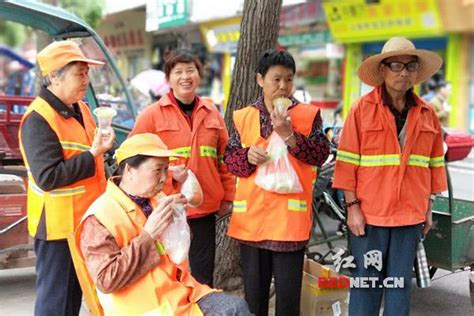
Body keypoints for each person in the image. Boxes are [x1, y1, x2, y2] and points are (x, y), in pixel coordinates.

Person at [333, 37, 447, 316]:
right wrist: (352, 209)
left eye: (410, 66)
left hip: (410, 216)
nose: (403, 72)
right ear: (383, 70)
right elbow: (346, 163)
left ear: (416, 72)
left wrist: (428, 209)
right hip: (370, 216)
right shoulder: (361, 110)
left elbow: (433, 165)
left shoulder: (427, 114)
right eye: (396, 65)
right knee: (367, 285)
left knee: (399, 289)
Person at [76, 133, 250, 315]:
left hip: (180, 292)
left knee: (236, 307)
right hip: (146, 307)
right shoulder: (99, 217)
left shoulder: (156, 199)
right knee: (233, 310)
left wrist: (178, 221)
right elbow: (106, 280)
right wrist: (148, 235)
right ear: (129, 170)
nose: (163, 178)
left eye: (166, 170)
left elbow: (176, 251)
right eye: (157, 170)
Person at [224, 49, 330, 316]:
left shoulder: (307, 115)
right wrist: (247, 156)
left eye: (289, 80)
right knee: (254, 301)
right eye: (276, 79)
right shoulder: (244, 116)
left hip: (289, 227)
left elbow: (320, 155)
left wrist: (290, 136)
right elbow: (230, 160)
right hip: (252, 226)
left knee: (287, 302)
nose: (283, 86)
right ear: (260, 80)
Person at [18, 40, 115, 315]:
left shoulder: (82, 109)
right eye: (79, 74)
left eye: (87, 73)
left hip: (85, 222)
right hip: (58, 230)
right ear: (53, 77)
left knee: (74, 300)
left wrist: (106, 151)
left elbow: (93, 155)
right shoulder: (38, 119)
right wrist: (93, 153)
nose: (86, 80)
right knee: (56, 304)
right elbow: (48, 176)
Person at [129, 49, 235, 287]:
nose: (185, 77)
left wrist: (228, 196)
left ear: (199, 75)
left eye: (190, 70)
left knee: (201, 276)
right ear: (168, 78)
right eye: (178, 72)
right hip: (165, 209)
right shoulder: (151, 115)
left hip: (204, 210)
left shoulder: (212, 114)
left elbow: (225, 159)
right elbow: (132, 156)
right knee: (169, 274)